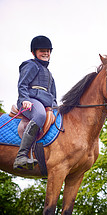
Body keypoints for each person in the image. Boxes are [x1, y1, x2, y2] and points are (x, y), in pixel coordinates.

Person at [13, 35, 57, 170]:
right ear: (34, 52)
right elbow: (22, 84)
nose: (45, 53)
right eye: (42, 50)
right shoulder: (31, 65)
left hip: (45, 103)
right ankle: (21, 156)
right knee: (40, 116)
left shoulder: (49, 74)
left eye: (48, 51)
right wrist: (25, 99)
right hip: (30, 101)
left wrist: (55, 107)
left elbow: (53, 95)